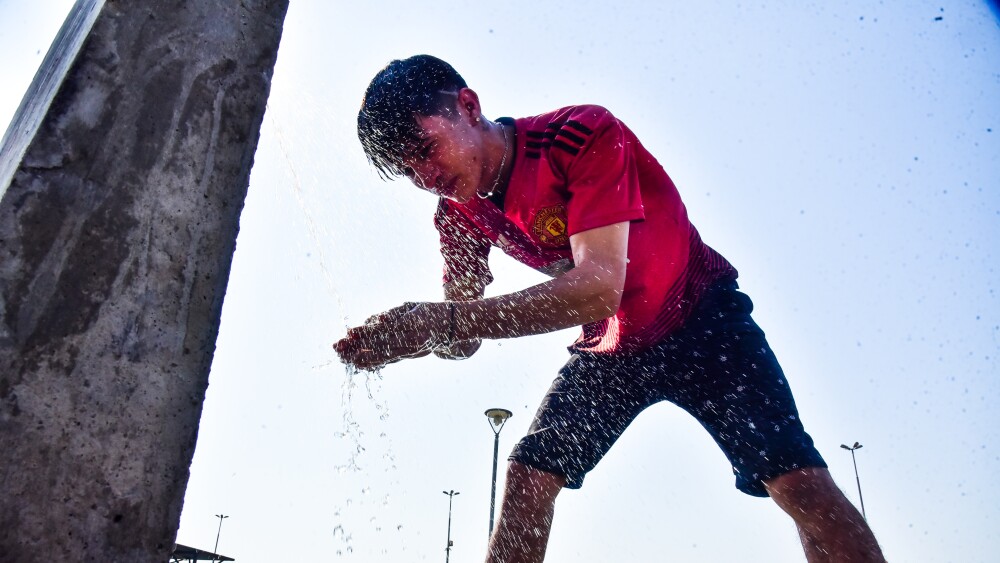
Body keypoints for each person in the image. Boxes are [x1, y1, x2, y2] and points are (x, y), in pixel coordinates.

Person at [334, 54, 885, 562]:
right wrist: (410, 340)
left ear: (468, 106)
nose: (426, 179)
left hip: (701, 316)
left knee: (799, 486)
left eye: (426, 150)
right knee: (528, 478)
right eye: (408, 172)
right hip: (614, 344)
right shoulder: (458, 215)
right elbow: (464, 334)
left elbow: (600, 285)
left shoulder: (579, 134)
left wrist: (446, 320)